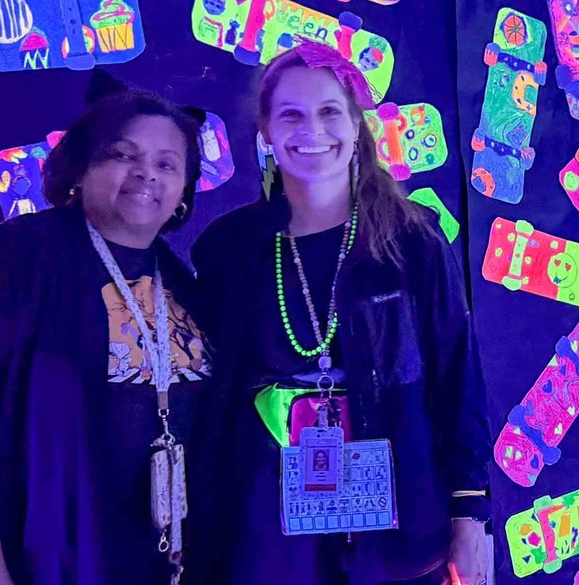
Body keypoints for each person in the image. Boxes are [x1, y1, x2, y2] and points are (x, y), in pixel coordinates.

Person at [192, 38, 491, 585]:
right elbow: (209, 399)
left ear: (356, 126)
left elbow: (457, 379)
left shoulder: (413, 238)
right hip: (267, 519)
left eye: (330, 112)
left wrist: (470, 515)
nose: (313, 131)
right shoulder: (229, 248)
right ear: (266, 130)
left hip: (401, 508)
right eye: (291, 114)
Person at [0, 87, 217, 585]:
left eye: (168, 164)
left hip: (159, 561)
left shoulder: (182, 282)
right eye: (123, 154)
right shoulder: (16, 256)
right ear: (80, 166)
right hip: (40, 562)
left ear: (184, 189)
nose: (146, 173)